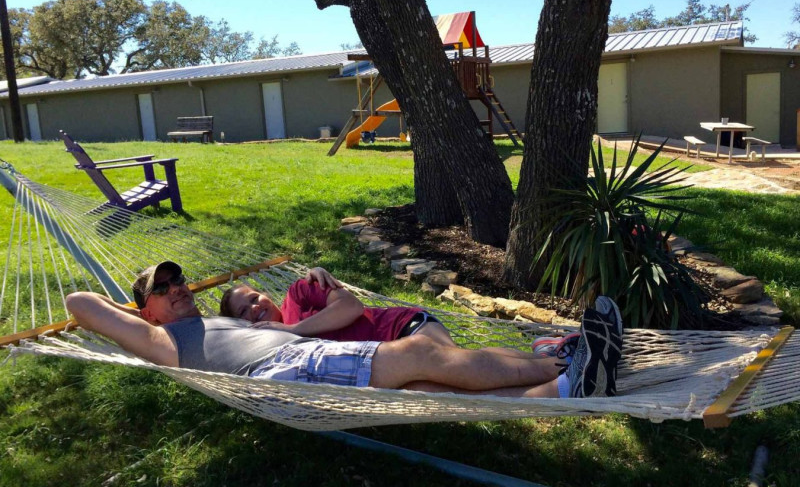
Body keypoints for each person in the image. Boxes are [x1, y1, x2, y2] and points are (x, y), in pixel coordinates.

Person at [66, 261, 624, 399]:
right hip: (283, 370)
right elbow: (79, 301)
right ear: (147, 312)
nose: (179, 288)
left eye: (179, 280)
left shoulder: (210, 320)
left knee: (426, 392)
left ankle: (563, 390)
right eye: (164, 290)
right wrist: (135, 312)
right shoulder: (160, 340)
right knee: (418, 358)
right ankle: (567, 367)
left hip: (299, 359)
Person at [219, 268, 573, 362]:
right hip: (393, 358)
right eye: (244, 310)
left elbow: (351, 306)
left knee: (461, 363)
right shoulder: (268, 346)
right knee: (463, 366)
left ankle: (550, 356)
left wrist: (295, 329)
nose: (254, 306)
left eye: (254, 296)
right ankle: (546, 355)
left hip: (404, 327)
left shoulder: (299, 292)